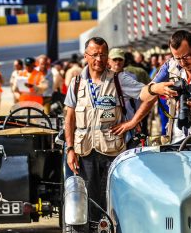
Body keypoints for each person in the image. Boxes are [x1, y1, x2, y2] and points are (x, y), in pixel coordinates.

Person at [64, 37, 152, 218]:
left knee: (113, 198)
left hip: (112, 152)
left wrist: (132, 122)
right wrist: (70, 148)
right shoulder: (76, 83)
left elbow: (148, 95)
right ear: (86, 56)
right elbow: (70, 118)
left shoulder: (119, 80)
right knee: (88, 200)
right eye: (94, 55)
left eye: (103, 55)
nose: (99, 59)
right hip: (85, 153)